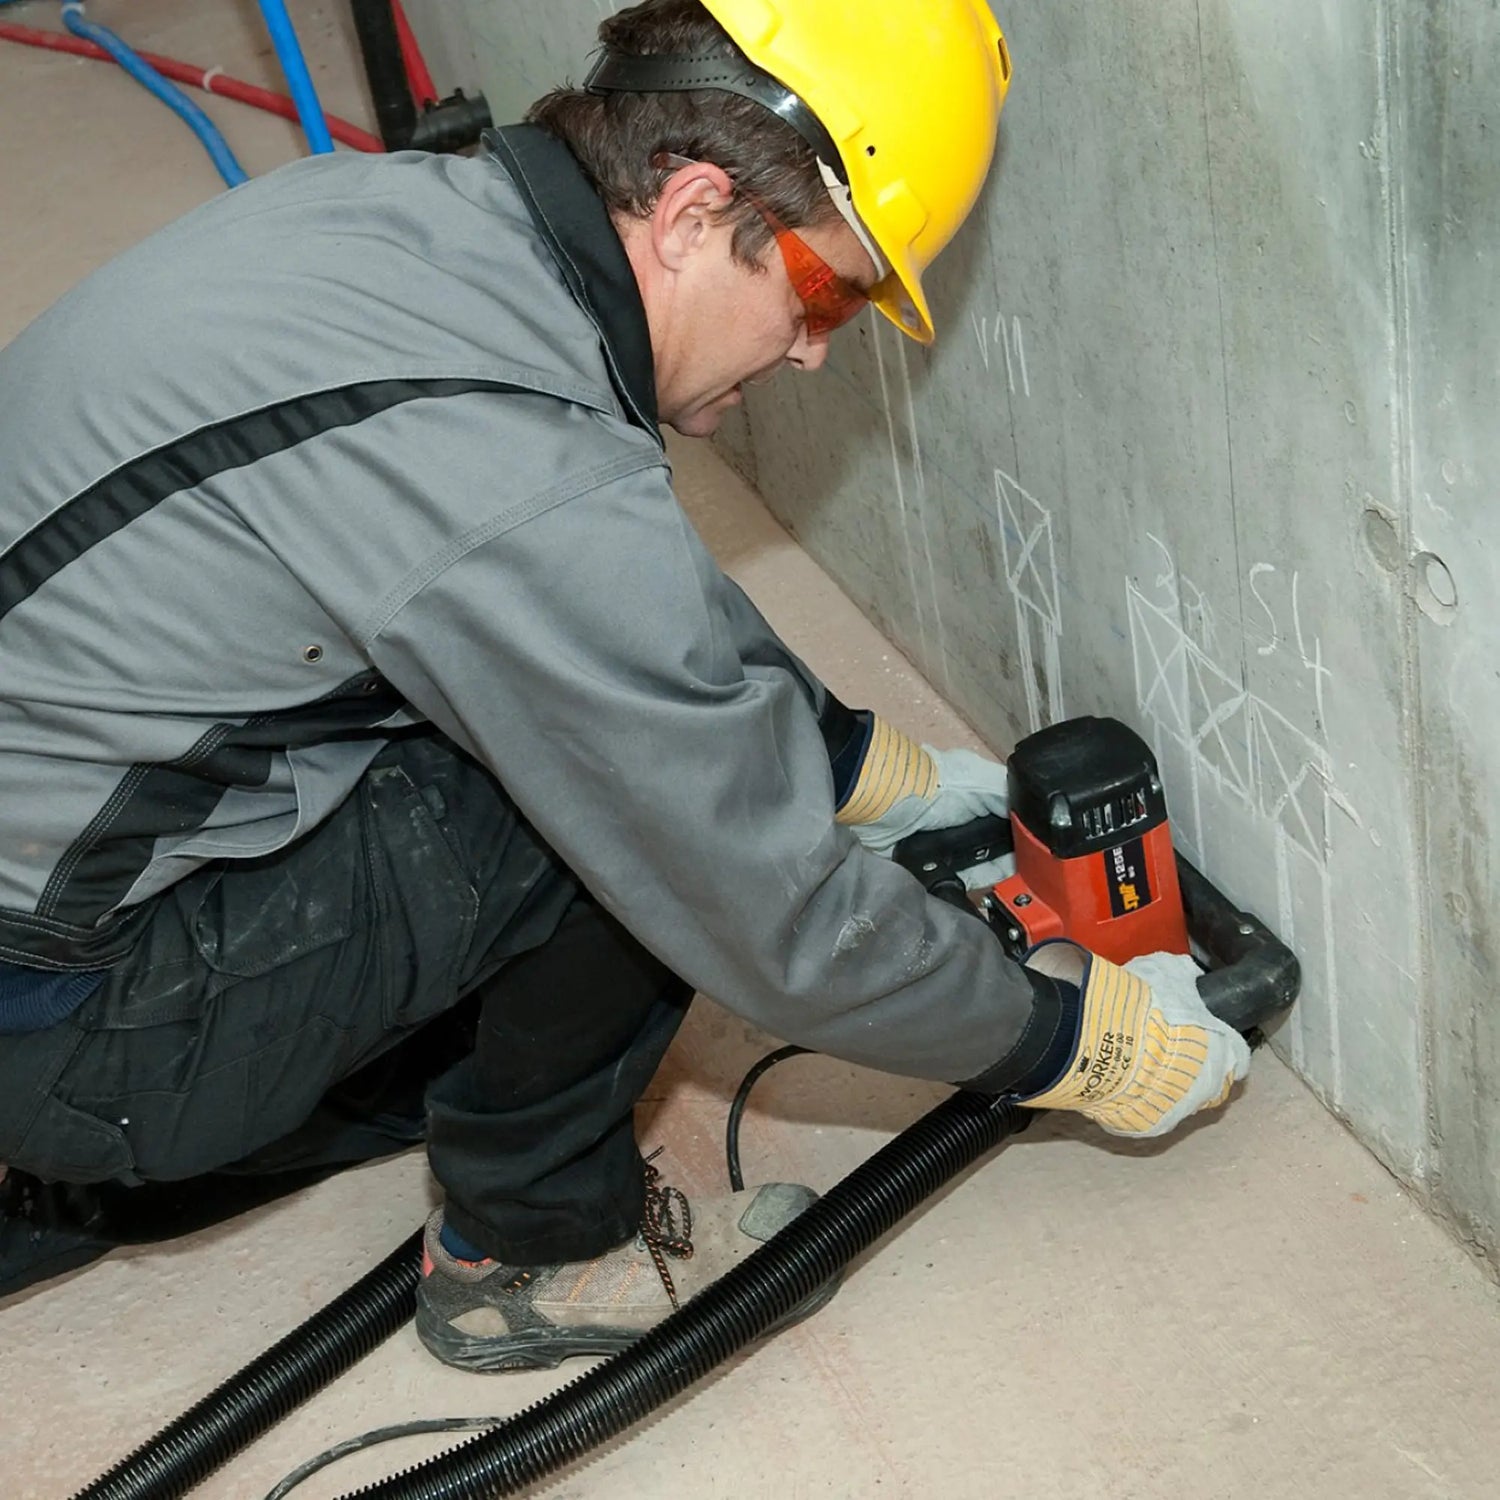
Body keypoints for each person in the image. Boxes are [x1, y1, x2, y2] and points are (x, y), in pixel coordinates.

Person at [0, 0, 1249, 1369]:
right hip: (59, 1021)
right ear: (695, 211)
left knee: (598, 726)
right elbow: (748, 889)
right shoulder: (516, 474)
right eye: (826, 295)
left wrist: (852, 763)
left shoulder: (414, 223)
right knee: (616, 818)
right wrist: (1074, 1044)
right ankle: (534, 1254)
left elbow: (604, 588)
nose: (815, 348)